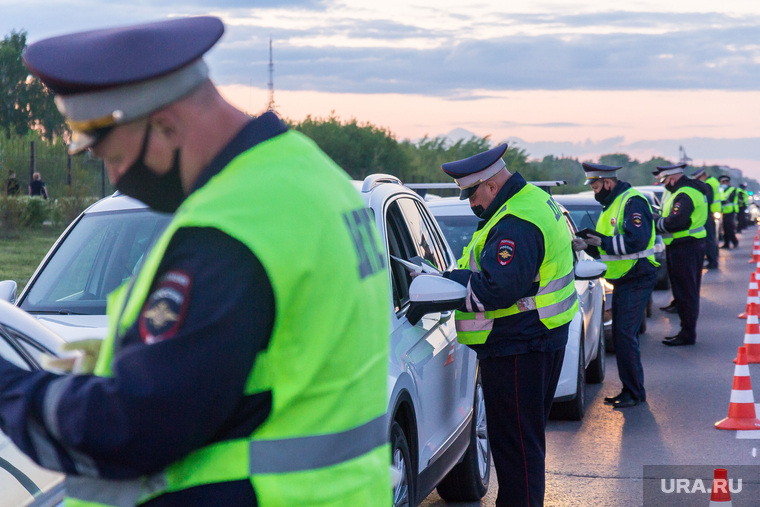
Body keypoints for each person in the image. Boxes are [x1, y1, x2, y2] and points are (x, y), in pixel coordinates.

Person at [0, 16, 391, 506]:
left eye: (110, 155)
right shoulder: (314, 178)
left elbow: (133, 428)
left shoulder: (231, 230)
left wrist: (10, 386)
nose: (116, 177)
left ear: (164, 125)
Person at [439, 144, 577, 507]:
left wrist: (452, 285)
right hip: (537, 338)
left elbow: (499, 288)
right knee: (524, 446)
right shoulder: (533, 201)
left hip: (519, 345)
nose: (470, 203)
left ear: (491, 184)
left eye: (472, 192)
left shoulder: (515, 222)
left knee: (516, 451)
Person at [573, 163, 658, 408]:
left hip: (638, 276)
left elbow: (636, 241)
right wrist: (586, 244)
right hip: (625, 279)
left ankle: (634, 392)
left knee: (624, 335)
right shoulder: (612, 204)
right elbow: (606, 246)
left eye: (596, 187)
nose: (595, 192)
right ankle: (631, 390)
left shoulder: (632, 202)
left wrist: (603, 241)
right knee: (622, 336)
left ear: (608, 183)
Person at [653, 163, 708, 346]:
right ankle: (686, 331)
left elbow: (676, 222)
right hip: (685, 246)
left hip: (686, 247)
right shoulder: (684, 191)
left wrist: (655, 222)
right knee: (684, 292)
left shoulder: (684, 194)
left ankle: (687, 333)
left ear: (672, 178)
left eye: (665, 181)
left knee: (686, 293)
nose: (664, 184)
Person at [690, 168, 720, 269]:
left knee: (709, 239)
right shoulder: (713, 181)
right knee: (711, 238)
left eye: (698, 178)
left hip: (708, 214)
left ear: (703, 175)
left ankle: (712, 261)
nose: (698, 180)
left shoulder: (708, 184)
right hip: (711, 213)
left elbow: (708, 200)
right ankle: (713, 259)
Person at [719, 175, 739, 249]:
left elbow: (730, 199)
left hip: (731, 211)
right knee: (724, 228)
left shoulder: (732, 189)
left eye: (724, 182)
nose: (723, 184)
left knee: (729, 228)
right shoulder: (722, 191)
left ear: (728, 182)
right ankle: (726, 243)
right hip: (724, 212)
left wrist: (723, 202)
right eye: (722, 182)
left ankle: (735, 241)